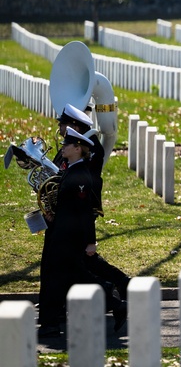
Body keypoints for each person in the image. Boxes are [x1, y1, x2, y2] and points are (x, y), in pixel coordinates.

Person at [37, 129, 127, 337]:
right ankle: (115, 303)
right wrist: (52, 215)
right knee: (74, 276)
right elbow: (66, 206)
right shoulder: (70, 170)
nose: (63, 147)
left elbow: (85, 212)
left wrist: (91, 242)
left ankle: (51, 324)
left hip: (70, 237)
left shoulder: (80, 176)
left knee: (65, 276)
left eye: (67, 145)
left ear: (78, 149)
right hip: (62, 232)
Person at [56, 104, 132, 303]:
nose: (60, 129)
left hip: (83, 206)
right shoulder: (73, 144)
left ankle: (114, 287)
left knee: (82, 256)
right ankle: (119, 284)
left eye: (63, 125)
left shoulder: (90, 147)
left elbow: (81, 177)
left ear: (75, 126)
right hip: (71, 206)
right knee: (81, 257)